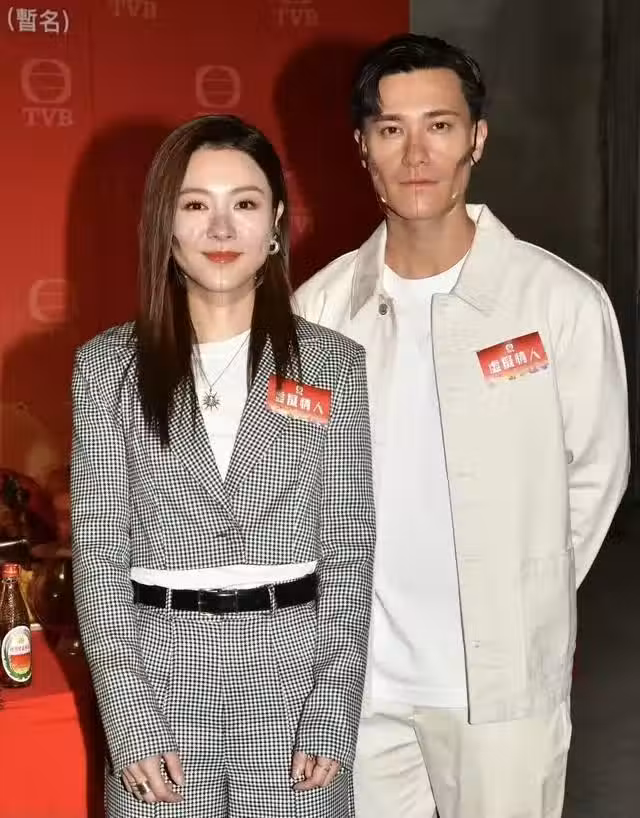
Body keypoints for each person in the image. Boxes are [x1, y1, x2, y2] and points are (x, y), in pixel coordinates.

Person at [294, 33, 630, 818]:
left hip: (503, 687)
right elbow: (297, 482)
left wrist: (522, 598)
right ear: (361, 146)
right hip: (362, 686)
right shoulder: (318, 310)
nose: (417, 154)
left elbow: (596, 474)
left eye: (439, 126)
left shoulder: (560, 303)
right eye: (391, 129)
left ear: (476, 138)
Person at [71, 114, 376, 818]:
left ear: (275, 223)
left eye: (243, 203)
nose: (220, 228)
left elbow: (349, 549)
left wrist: (333, 708)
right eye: (194, 205)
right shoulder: (106, 368)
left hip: (294, 682)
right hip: (158, 679)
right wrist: (128, 716)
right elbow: (100, 554)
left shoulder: (332, 364)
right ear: (165, 225)